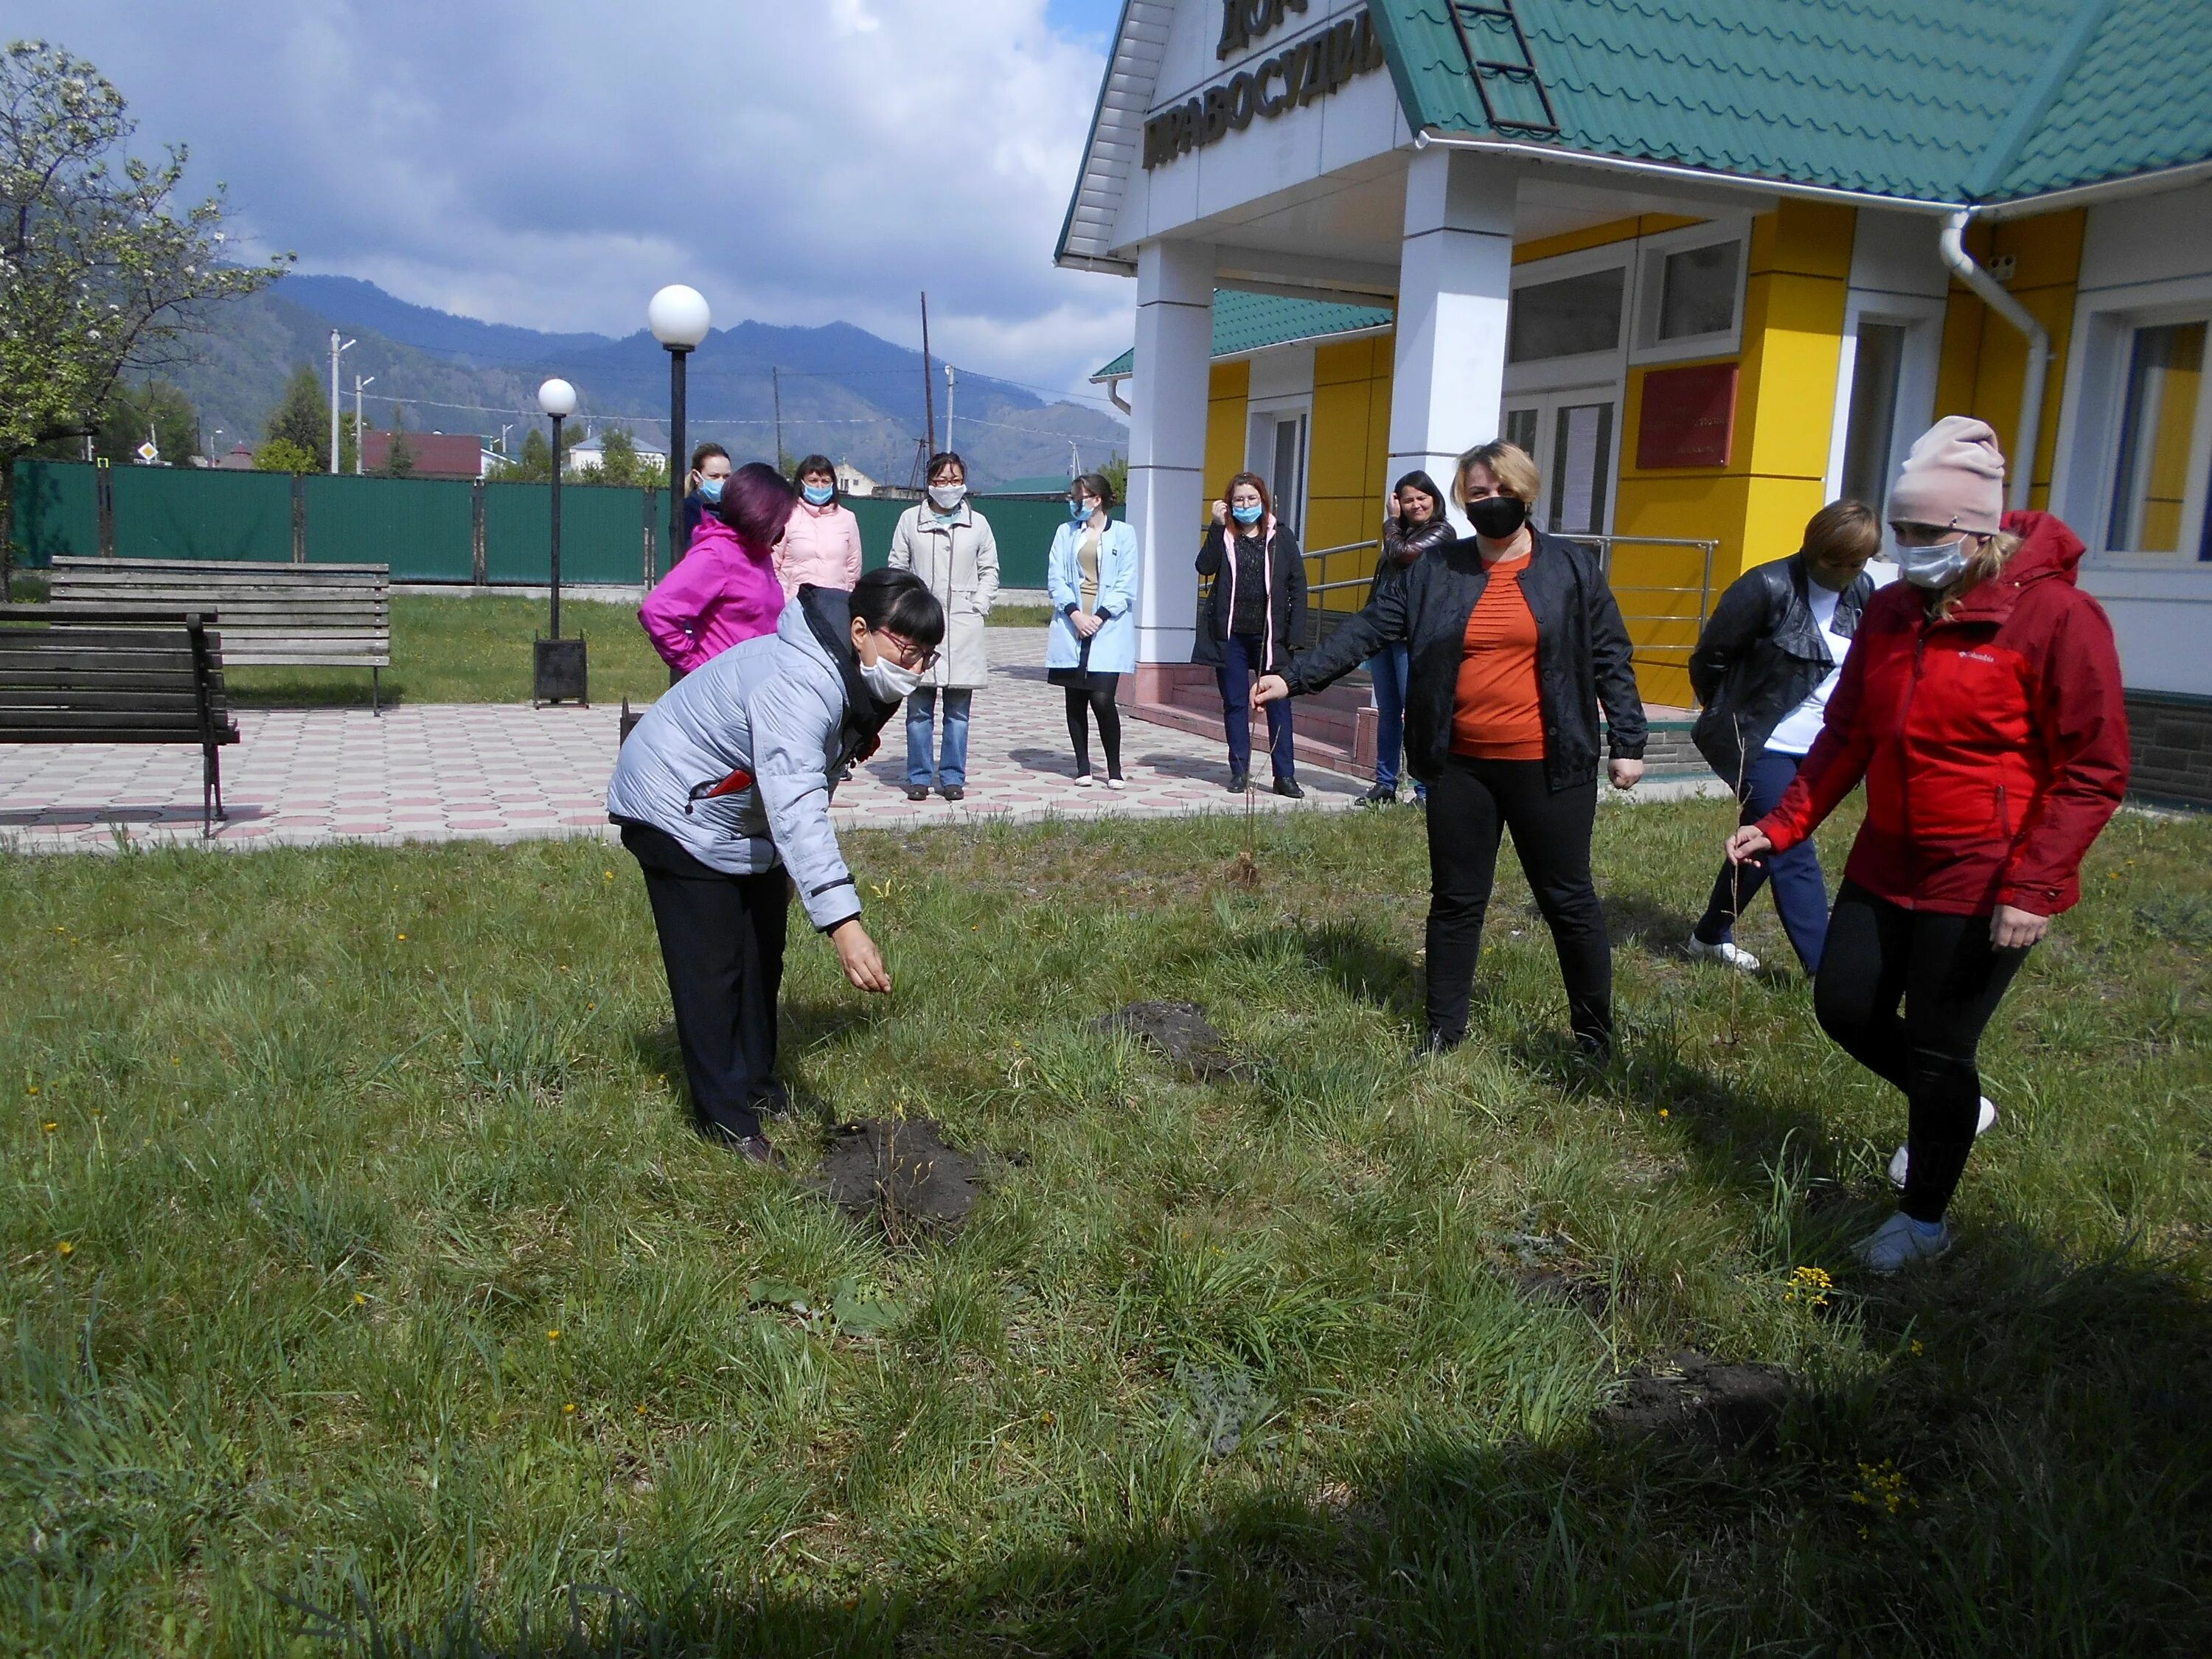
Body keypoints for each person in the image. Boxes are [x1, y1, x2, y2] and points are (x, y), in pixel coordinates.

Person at [1725, 417, 2129, 1274]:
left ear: (1979, 529)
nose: (1903, 549)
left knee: (1945, 1045)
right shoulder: (1896, 612)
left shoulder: (2056, 615)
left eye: (1922, 534)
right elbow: (1847, 734)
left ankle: (1923, 1220)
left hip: (1984, 874)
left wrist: (2036, 885)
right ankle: (1955, 1105)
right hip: (1887, 858)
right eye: (1899, 533)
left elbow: (2094, 766)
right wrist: (1786, 823)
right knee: (1843, 1005)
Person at [1254, 439, 1646, 1056]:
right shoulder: (1437, 570)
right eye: (1479, 493)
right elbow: (1369, 627)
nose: (1492, 503)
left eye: (1502, 491)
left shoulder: (1570, 568)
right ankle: (1443, 1031)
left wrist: (1629, 740)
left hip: (1551, 764)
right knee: (1457, 900)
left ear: (1527, 493)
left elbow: (1611, 656)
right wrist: (1294, 676)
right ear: (1463, 501)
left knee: (1568, 900)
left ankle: (1594, 1038)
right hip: (1461, 765)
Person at [606, 568, 944, 1165]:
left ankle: (758, 1088)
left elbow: (817, 779)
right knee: (711, 967)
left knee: (761, 952)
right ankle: (725, 1122)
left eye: (926, 657)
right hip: (676, 805)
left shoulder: (856, 675)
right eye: (907, 652)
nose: (914, 670)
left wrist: (790, 872)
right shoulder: (799, 682)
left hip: (739, 813)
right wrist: (844, 923)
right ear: (860, 631)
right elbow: (797, 804)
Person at [1686, 499, 1890, 975]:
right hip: (1760, 741)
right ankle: (1827, 973)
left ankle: (1709, 936)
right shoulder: (1767, 586)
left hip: (1823, 748)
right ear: (1810, 546)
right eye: (1831, 561)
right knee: (1793, 846)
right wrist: (1733, 718)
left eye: (1855, 563)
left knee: (1767, 839)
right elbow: (1710, 659)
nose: (1841, 573)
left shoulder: (1865, 593)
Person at [888, 452, 998, 801]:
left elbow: (989, 570)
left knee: (958, 711)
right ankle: (919, 776)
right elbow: (897, 567)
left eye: (953, 481)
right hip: (919, 625)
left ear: (963, 482)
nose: (947, 487)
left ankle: (953, 776)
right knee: (919, 709)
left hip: (963, 626)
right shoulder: (910, 520)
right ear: (929, 483)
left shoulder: (978, 523)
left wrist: (978, 604)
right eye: (940, 481)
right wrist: (905, 610)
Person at [1196, 472, 1307, 796]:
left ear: (1263, 500)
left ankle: (1284, 776)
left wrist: (1294, 634)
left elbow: (1298, 586)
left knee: (1278, 704)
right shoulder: (1226, 535)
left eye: (1251, 499)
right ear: (1229, 504)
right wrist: (1216, 527)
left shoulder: (1280, 537)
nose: (1245, 505)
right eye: (1239, 500)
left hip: (1270, 636)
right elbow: (1204, 567)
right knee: (1234, 704)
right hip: (1230, 636)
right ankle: (1240, 772)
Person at [641, 462, 792, 676]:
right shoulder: (716, 555)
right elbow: (657, 612)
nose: (782, 531)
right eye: (779, 522)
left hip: (757, 683)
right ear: (760, 516)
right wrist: (695, 666)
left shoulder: (759, 555)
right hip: (725, 687)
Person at [1362, 471, 1454, 807]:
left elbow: (1402, 555)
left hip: (1412, 638)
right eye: (1407, 499)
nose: (1415, 505)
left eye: (1421, 498)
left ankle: (1425, 790)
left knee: (1417, 712)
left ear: (1434, 499)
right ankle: (1385, 783)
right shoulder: (1400, 534)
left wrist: (1391, 521)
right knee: (1388, 711)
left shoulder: (1441, 533)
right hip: (1384, 635)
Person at [1046, 472, 1141, 787]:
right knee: (1075, 699)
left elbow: (1126, 584)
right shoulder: (1065, 532)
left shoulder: (1124, 534)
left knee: (1102, 698)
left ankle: (1113, 769)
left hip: (1107, 626)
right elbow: (1056, 578)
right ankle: (1083, 767)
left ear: (1097, 499)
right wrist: (1074, 614)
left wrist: (1098, 617)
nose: (1074, 503)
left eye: (1079, 498)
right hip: (1072, 623)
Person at [777, 454, 863, 599]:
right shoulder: (787, 515)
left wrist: (846, 597)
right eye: (813, 481)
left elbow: (853, 567)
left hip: (833, 605)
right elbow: (774, 564)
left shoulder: (847, 519)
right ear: (802, 483)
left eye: (825, 481)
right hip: (793, 605)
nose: (819, 486)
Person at [679, 442, 732, 554]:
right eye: (714, 476)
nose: (722, 482)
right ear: (696, 476)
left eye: (726, 476)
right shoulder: (688, 510)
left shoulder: (731, 510)